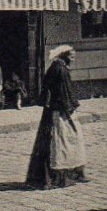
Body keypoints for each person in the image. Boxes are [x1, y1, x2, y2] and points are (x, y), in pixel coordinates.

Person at [26, 45, 87, 188]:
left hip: (53, 110)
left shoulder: (56, 67)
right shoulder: (60, 70)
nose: (73, 59)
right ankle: (58, 178)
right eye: (71, 56)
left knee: (54, 143)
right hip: (58, 111)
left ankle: (57, 176)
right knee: (61, 143)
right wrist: (69, 108)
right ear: (64, 55)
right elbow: (63, 92)